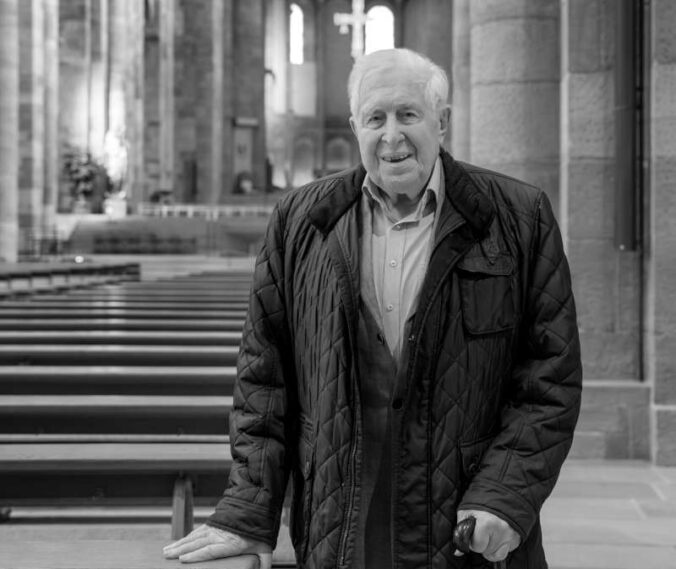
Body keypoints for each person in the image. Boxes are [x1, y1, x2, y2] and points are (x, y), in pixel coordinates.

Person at [163, 48, 582, 569]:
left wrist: (504, 495)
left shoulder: (519, 217)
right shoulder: (300, 221)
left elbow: (550, 378)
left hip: (468, 530)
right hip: (340, 522)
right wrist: (249, 511)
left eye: (408, 114)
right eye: (375, 118)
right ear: (355, 126)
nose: (392, 135)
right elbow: (263, 381)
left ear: (442, 121)